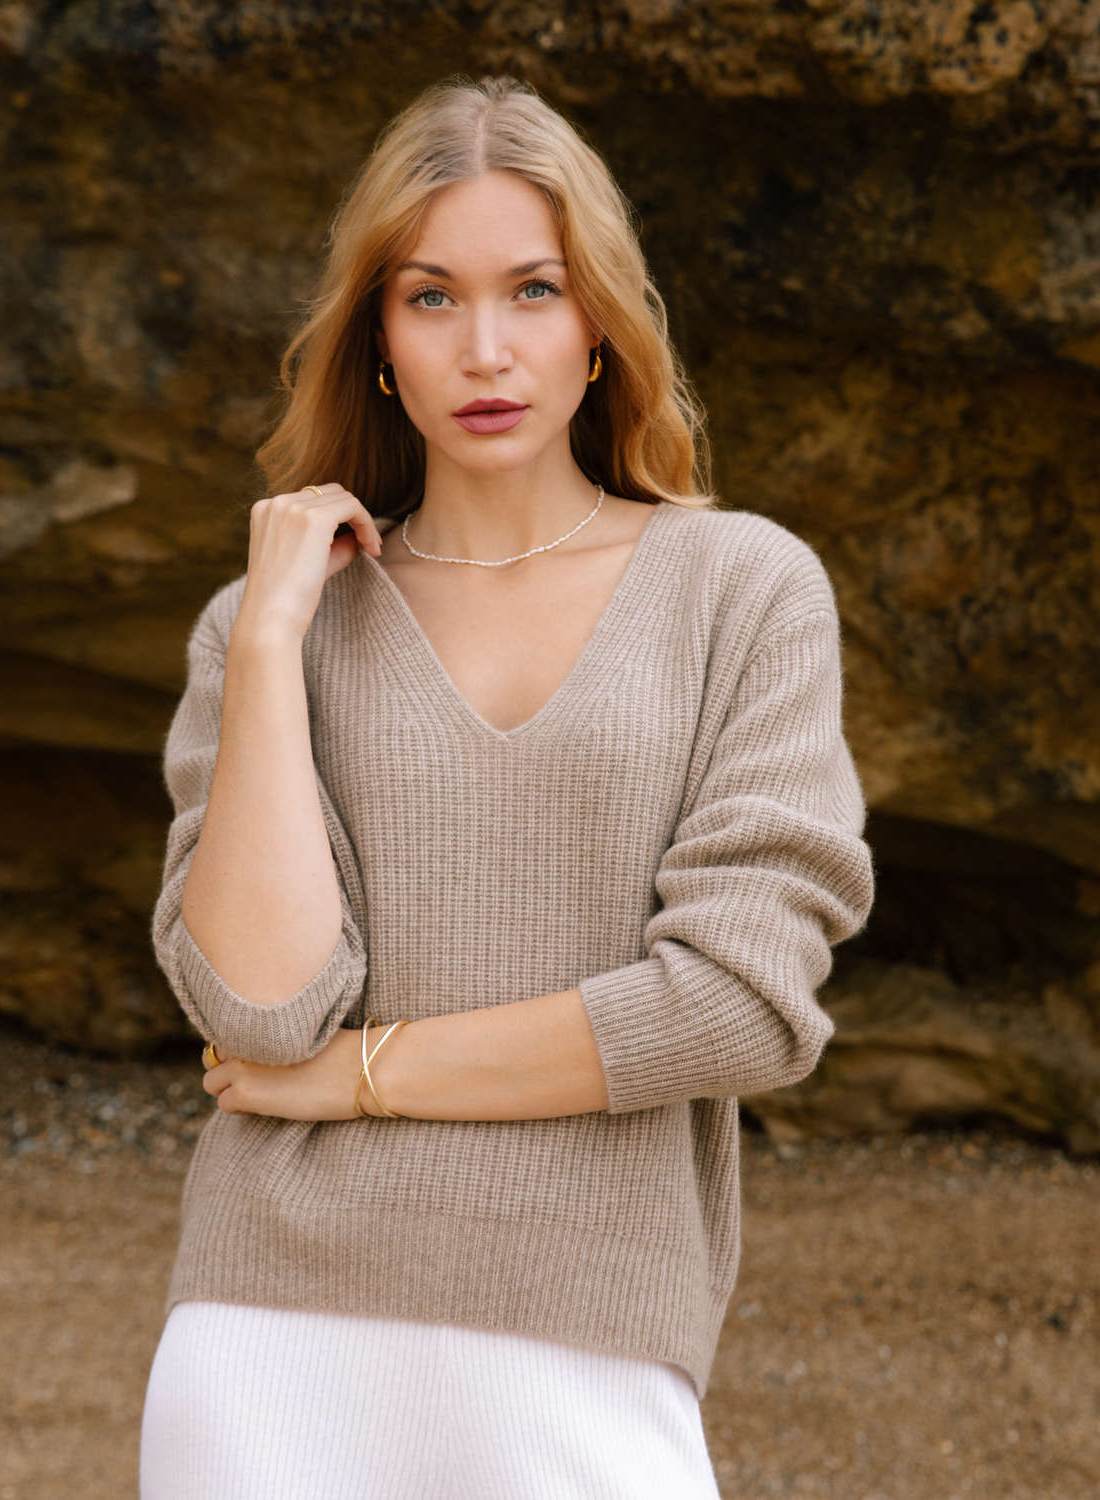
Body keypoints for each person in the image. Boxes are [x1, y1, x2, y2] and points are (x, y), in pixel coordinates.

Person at [138, 73, 875, 1500]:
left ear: (599, 323)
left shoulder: (741, 590)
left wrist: (360, 1080)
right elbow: (259, 1011)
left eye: (533, 290)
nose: (486, 350)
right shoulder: (270, 628)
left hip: (589, 1345)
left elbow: (740, 1005)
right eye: (431, 298)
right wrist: (275, 640)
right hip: (265, 1345)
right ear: (378, 340)